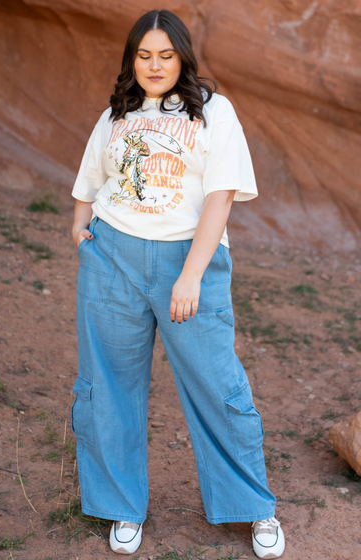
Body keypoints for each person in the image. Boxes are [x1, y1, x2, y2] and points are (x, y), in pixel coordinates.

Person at [70, 9, 285, 559]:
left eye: (166, 54)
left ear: (183, 56)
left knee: (217, 384)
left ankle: (254, 506)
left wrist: (191, 274)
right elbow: (92, 175)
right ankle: (121, 506)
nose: (155, 65)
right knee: (109, 383)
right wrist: (79, 224)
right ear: (132, 60)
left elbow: (221, 194)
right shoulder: (118, 111)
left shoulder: (214, 112)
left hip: (189, 262)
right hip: (112, 257)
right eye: (144, 55)